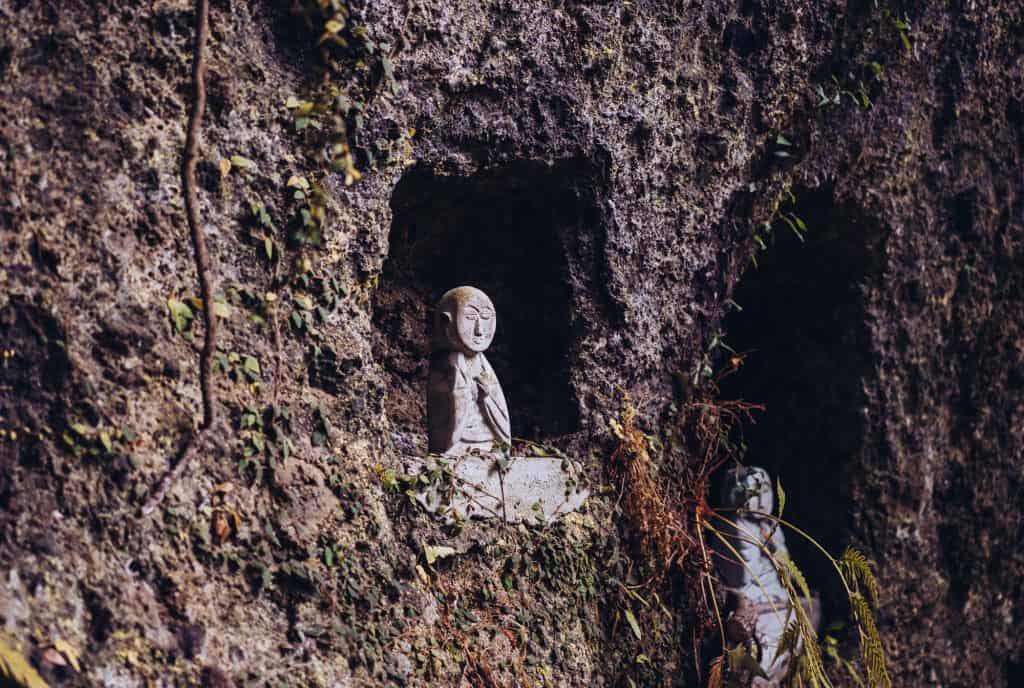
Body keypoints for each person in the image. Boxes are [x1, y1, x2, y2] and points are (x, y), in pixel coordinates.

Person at [427, 286, 511, 456]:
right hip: (459, 441)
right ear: (447, 322)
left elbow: (499, 409)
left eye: (486, 317)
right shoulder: (444, 365)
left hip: (489, 442)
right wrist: (463, 392)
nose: (479, 330)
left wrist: (487, 395)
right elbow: (441, 408)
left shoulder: (483, 364)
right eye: (470, 317)